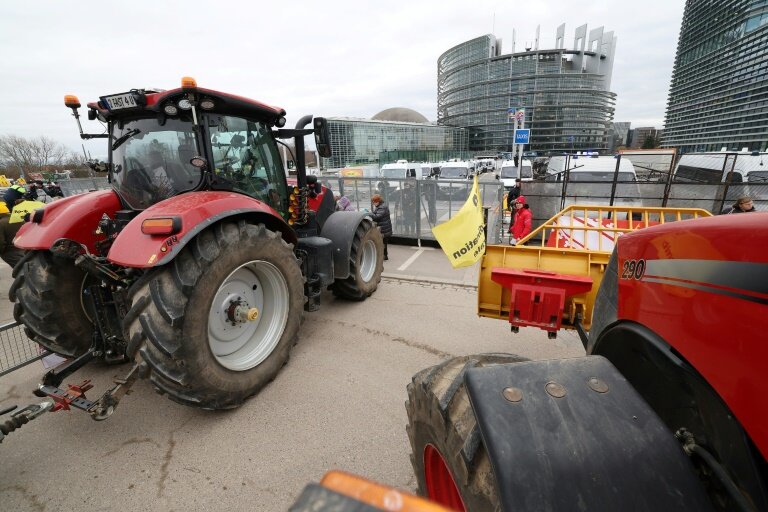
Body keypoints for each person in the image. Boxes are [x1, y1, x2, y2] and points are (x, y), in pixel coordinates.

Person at [370, 194, 392, 260]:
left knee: (383, 243)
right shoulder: (381, 206)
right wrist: (372, 213)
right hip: (384, 228)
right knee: (383, 243)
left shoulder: (382, 207)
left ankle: (384, 256)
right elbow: (375, 213)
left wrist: (369, 214)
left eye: (374, 202)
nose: (373, 204)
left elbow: (377, 217)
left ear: (377, 201)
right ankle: (384, 256)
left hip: (384, 229)